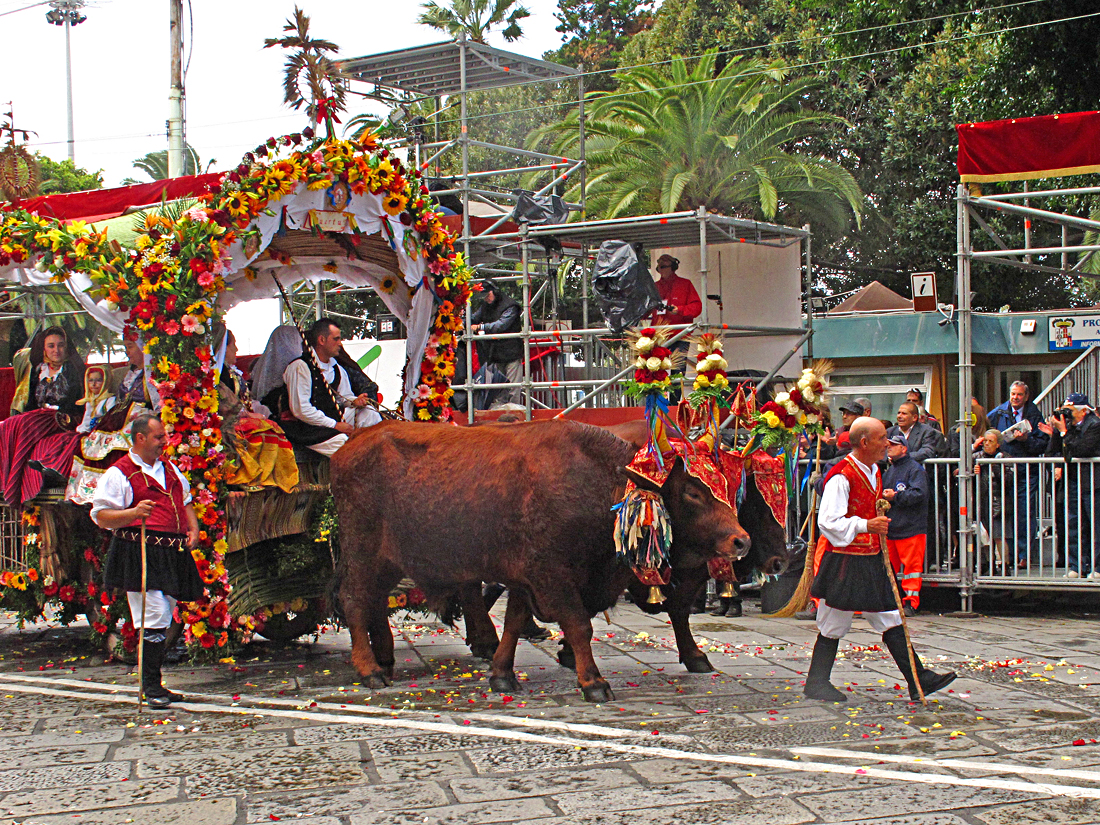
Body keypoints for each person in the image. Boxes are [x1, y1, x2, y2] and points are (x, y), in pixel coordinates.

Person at [803, 416, 955, 703]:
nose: (888, 442)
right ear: (864, 442)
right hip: (846, 561)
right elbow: (828, 521)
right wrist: (865, 525)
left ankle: (917, 678)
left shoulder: (874, 469)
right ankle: (817, 681)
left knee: (889, 616)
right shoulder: (841, 476)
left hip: (870, 557)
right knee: (834, 619)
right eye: (883, 437)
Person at [91, 413, 204, 709]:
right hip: (139, 552)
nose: (164, 443)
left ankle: (155, 685)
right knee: (152, 617)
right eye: (158, 437)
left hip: (170, 553)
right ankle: (150, 686)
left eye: (164, 437)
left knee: (164, 615)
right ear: (140, 438)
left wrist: (193, 527)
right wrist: (132, 513)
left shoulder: (169, 468)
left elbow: (186, 499)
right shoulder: (120, 473)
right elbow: (100, 515)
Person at [0, 326, 87, 506]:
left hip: (63, 418)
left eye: (60, 345)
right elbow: (30, 402)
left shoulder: (74, 371)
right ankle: (6, 480)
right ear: (44, 349)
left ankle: (15, 489)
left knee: (24, 424)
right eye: (51, 346)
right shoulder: (37, 371)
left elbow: (79, 404)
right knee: (6, 425)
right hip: (38, 417)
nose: (56, 350)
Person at [277, 318, 382, 457]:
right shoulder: (300, 367)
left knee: (370, 413)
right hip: (308, 428)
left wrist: (355, 401)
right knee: (344, 444)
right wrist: (335, 425)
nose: (340, 343)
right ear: (322, 340)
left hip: (332, 419)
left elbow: (343, 396)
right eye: (336, 339)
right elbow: (301, 410)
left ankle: (377, 455)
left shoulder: (336, 367)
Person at [218, 330, 299, 493]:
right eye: (233, 345)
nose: (236, 349)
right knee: (263, 428)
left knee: (270, 427)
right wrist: (247, 414)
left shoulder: (230, 372)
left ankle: (269, 477)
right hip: (224, 422)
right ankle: (251, 475)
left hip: (236, 418)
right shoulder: (216, 374)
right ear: (223, 348)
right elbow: (226, 403)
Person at [987, 381, 1048, 566]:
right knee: (1005, 513)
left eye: (1019, 394)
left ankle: (1024, 555)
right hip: (1004, 473)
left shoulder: (1035, 415)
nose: (1015, 397)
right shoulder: (998, 413)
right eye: (1013, 394)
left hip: (1026, 471)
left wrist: (1026, 439)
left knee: (1025, 513)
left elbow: (1042, 444)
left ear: (1026, 396)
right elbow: (986, 432)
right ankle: (1008, 555)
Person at [1039, 393, 1100, 579]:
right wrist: (1058, 431)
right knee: (1074, 524)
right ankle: (1077, 565)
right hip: (1073, 481)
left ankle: (1097, 567)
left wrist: (1065, 432)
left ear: (1082, 411)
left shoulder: (1095, 425)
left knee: (1095, 525)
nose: (1067, 414)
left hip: (1092, 482)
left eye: (1070, 410)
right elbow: (1053, 450)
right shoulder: (1067, 426)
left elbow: (1082, 450)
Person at [883, 435, 928, 615]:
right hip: (892, 528)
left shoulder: (915, 470)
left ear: (904, 448)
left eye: (894, 445)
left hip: (911, 527)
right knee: (887, 568)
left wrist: (895, 497)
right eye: (888, 445)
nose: (889, 448)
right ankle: (890, 600)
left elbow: (919, 494)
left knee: (912, 569)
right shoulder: (889, 471)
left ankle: (911, 602)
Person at [470, 279, 524, 406]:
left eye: (487, 295)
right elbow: (474, 318)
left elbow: (500, 326)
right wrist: (460, 321)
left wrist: (480, 327)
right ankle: (499, 414)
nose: (486, 299)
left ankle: (514, 413)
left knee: (513, 387)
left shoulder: (510, 306)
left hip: (512, 353)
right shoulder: (486, 306)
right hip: (494, 353)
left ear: (494, 291)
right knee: (498, 389)